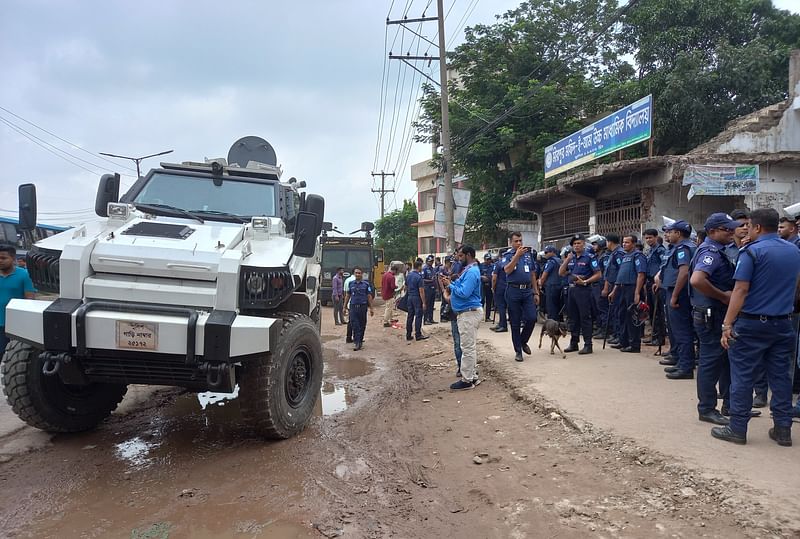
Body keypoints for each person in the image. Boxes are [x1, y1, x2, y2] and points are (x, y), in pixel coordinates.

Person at [713, 208, 800, 446]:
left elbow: (740, 290)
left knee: (742, 375)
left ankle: (737, 428)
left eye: (749, 226)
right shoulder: (794, 250)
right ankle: (783, 429)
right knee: (781, 377)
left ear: (758, 227)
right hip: (783, 323)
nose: (746, 230)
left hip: (752, 324)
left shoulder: (751, 252)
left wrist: (727, 324)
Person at [688, 213, 739, 426]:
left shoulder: (718, 250)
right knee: (711, 361)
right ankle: (707, 408)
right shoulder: (710, 252)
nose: (731, 232)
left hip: (714, 312)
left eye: (731, 229)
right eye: (726, 230)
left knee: (723, 360)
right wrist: (723, 296)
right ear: (712, 232)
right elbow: (697, 280)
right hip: (711, 314)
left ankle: (729, 403)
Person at [440, 245, 483, 390]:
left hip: (468, 313)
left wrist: (450, 285)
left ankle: (467, 380)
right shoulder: (468, 271)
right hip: (466, 313)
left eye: (460, 256)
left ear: (469, 255)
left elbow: (464, 292)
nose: (459, 259)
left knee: (467, 347)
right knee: (469, 347)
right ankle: (472, 376)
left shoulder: (471, 272)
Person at [660, 221, 696, 380]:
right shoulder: (678, 248)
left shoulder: (683, 248)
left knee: (682, 330)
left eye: (670, 231)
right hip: (673, 290)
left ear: (678, 233)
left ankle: (686, 366)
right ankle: (682, 362)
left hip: (679, 293)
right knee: (677, 330)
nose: (667, 234)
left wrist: (674, 295)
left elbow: (684, 272)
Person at [502, 232, 541, 362]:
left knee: (532, 318)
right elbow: (507, 270)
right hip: (513, 291)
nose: (519, 243)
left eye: (520, 241)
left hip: (527, 291)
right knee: (515, 322)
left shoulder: (528, 255)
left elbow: (532, 274)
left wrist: (536, 292)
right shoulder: (507, 255)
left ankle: (523, 341)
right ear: (510, 242)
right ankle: (518, 351)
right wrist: (516, 257)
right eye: (516, 241)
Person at [559, 234, 602, 354]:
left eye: (579, 243)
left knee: (585, 317)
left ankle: (588, 344)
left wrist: (586, 281)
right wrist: (567, 259)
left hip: (584, 290)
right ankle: (574, 343)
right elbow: (561, 272)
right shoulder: (571, 258)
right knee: (573, 318)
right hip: (572, 290)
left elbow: (598, 274)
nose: (576, 246)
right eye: (574, 244)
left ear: (583, 244)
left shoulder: (589, 257)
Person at [608, 234, 647, 353]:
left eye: (627, 242)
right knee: (622, 316)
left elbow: (641, 275)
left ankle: (634, 345)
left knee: (632, 318)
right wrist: (614, 291)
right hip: (622, 289)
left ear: (634, 244)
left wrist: (637, 293)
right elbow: (620, 276)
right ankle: (624, 342)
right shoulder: (625, 256)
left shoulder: (638, 256)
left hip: (632, 288)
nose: (624, 244)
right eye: (623, 242)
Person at [0, 244, 35, 354]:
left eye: (4, 258)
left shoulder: (24, 275)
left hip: (11, 324)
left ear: (13, 259)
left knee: (7, 354)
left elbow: (29, 299)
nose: (0, 261)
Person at [343, 267, 374, 351]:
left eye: (359, 273)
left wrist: (371, 308)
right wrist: (344, 307)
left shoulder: (366, 284)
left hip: (362, 307)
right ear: (354, 274)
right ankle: (357, 342)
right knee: (355, 325)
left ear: (362, 274)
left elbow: (369, 296)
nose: (357, 274)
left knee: (362, 325)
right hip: (353, 307)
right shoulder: (351, 284)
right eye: (356, 273)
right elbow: (347, 295)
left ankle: (360, 340)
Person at [643, 229, 666, 344]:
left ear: (656, 237)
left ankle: (660, 337)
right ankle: (654, 335)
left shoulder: (660, 250)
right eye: (646, 238)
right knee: (651, 310)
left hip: (656, 282)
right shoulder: (649, 251)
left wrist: (658, 281)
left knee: (658, 311)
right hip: (649, 282)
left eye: (650, 237)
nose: (648, 240)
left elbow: (663, 266)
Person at [601, 234, 624, 345]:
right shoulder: (613, 253)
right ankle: (616, 334)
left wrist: (615, 287)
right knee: (615, 311)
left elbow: (621, 270)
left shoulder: (619, 253)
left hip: (618, 286)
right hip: (613, 285)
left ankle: (619, 335)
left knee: (618, 311)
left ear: (609, 242)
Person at [405, 260, 428, 342]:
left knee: (410, 316)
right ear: (418, 267)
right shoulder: (419, 277)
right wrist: (424, 302)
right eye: (421, 266)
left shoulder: (409, 275)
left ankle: (408, 334)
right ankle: (418, 334)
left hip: (410, 297)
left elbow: (406, 287)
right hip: (417, 298)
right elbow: (421, 291)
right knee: (418, 316)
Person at [539, 245, 564, 321]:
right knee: (558, 306)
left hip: (551, 286)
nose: (545, 254)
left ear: (552, 252)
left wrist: (540, 285)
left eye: (547, 252)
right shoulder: (559, 261)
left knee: (551, 307)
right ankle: (559, 323)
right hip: (559, 286)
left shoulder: (550, 262)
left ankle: (552, 324)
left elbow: (544, 275)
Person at [491, 251, 509, 332]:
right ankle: (501, 323)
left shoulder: (498, 264)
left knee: (501, 307)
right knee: (505, 307)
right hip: (508, 287)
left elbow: (494, 278)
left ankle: (503, 325)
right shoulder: (510, 263)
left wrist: (493, 287)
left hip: (500, 287)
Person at [422, 255, 437, 324]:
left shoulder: (432, 269)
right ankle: (425, 319)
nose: (431, 263)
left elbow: (435, 278)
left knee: (432, 305)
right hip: (427, 288)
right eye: (430, 261)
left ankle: (431, 319)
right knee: (427, 304)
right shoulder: (424, 269)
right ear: (427, 261)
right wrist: (430, 281)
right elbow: (422, 279)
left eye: (432, 261)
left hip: (433, 288)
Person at [480, 253, 494, 321]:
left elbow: (494, 275)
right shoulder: (481, 266)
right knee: (481, 301)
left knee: (489, 302)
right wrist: (481, 277)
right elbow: (477, 274)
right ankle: (480, 316)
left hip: (489, 285)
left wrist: (489, 278)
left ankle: (487, 317)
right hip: (482, 286)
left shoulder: (492, 266)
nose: (488, 261)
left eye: (489, 259)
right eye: (487, 259)